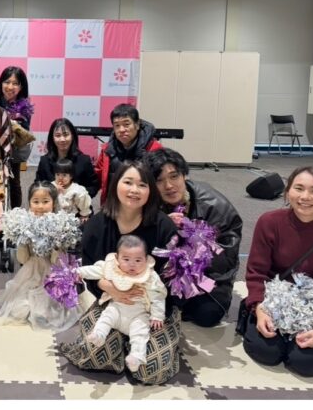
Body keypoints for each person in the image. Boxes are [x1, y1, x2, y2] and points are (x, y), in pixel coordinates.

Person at [242, 167, 313, 377]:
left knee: (308, 364)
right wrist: (260, 310)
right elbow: (256, 273)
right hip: (272, 303)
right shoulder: (269, 222)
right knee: (265, 352)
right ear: (287, 193)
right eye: (299, 188)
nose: (305, 197)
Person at [143, 148, 242, 327]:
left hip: (206, 275)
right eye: (159, 180)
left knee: (208, 314)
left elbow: (227, 259)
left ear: (184, 175)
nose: (168, 186)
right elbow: (138, 245)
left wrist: (196, 242)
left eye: (174, 176)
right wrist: (162, 227)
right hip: (162, 274)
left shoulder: (216, 206)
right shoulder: (147, 202)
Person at [0, 181, 79, 332]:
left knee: (46, 311)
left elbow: (56, 261)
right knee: (18, 310)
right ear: (29, 203)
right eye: (36, 202)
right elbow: (23, 259)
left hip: (51, 273)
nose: (40, 206)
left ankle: (42, 309)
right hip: (30, 270)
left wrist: (57, 244)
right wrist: (22, 241)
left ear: (54, 203)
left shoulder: (59, 224)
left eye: (45, 201)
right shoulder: (26, 223)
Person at [81, 161, 177, 302]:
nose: (134, 190)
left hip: (151, 301)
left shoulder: (164, 226)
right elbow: (87, 267)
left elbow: (171, 275)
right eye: (128, 182)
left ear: (150, 191)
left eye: (142, 185)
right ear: (115, 185)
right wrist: (107, 287)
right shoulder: (96, 225)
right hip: (108, 299)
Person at [78, 235, 167, 372]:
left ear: (146, 259)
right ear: (117, 258)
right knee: (107, 316)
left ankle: (136, 357)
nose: (132, 264)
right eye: (126, 259)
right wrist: (77, 272)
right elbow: (92, 270)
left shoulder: (149, 276)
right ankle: (99, 335)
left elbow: (158, 296)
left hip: (139, 314)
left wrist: (157, 316)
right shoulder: (111, 268)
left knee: (141, 332)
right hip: (117, 308)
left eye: (138, 260)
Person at [94, 103, 162, 201]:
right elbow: (97, 178)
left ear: (137, 125)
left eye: (126, 124)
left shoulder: (154, 149)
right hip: (112, 205)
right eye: (117, 125)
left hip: (143, 205)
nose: (121, 130)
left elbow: (161, 181)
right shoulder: (107, 150)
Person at [0, 66, 33, 208]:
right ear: (1, 83)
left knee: (14, 181)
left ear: (21, 87)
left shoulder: (24, 107)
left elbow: (25, 132)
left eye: (15, 83)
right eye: (7, 82)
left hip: (13, 149)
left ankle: (15, 214)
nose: (10, 87)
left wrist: (14, 124)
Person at [35, 118, 99, 198]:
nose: (62, 139)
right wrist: (51, 190)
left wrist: (79, 194)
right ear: (52, 138)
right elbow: (37, 186)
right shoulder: (44, 161)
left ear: (72, 136)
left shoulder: (84, 160)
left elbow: (93, 186)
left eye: (66, 135)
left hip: (77, 204)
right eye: (58, 135)